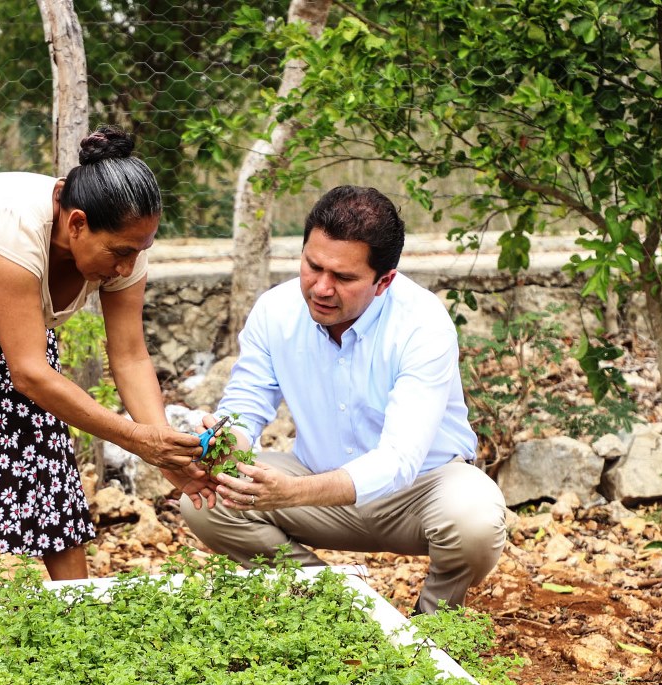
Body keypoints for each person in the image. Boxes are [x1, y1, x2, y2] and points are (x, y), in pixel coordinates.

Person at [0, 126, 211, 590]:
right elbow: (28, 373)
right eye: (121, 252)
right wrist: (134, 438)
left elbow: (129, 355)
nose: (128, 267)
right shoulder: (12, 228)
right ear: (77, 224)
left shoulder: (125, 246)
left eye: (140, 250)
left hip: (13, 331)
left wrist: (163, 449)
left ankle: (78, 615)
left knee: (49, 473)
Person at [181, 186, 507, 614]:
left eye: (345, 278)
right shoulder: (274, 311)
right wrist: (227, 443)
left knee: (475, 519)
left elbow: (398, 460)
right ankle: (336, 608)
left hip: (416, 496)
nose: (321, 287)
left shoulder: (423, 323)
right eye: (312, 266)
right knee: (207, 501)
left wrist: (293, 492)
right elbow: (245, 406)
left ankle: (434, 628)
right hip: (318, 488)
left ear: (384, 281)